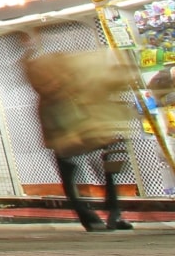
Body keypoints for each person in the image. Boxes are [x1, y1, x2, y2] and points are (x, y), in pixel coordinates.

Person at [20, 32, 137, 231]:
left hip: (81, 134)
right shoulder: (53, 100)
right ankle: (94, 214)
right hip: (69, 136)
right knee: (78, 172)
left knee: (96, 169)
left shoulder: (66, 92)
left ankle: (106, 213)